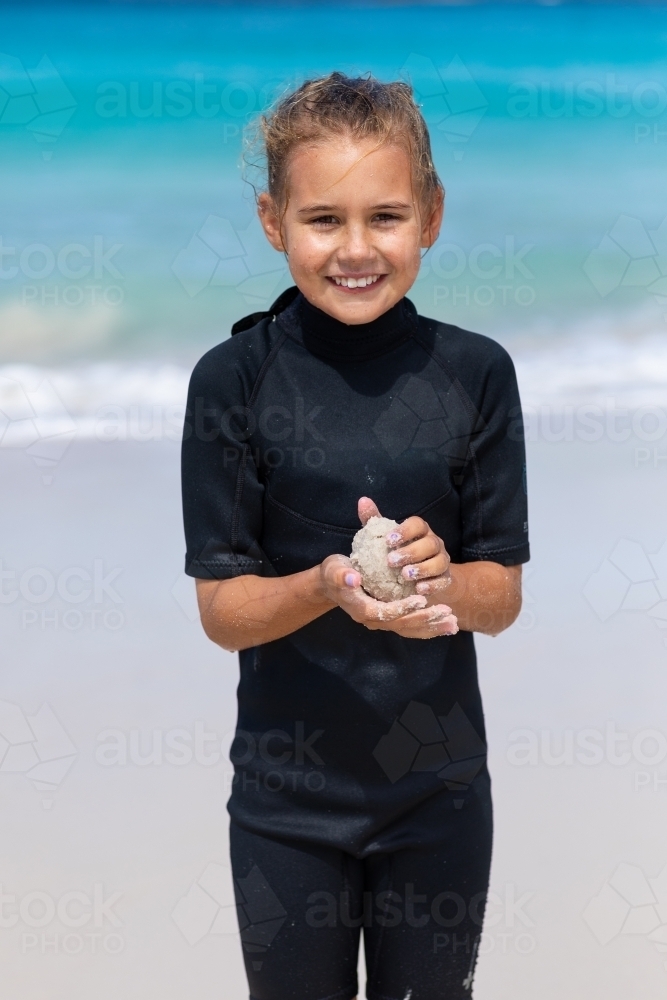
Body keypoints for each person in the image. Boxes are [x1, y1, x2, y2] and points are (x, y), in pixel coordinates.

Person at [181, 72, 529, 1000]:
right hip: (285, 806)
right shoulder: (233, 381)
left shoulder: (475, 374)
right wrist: (325, 587)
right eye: (322, 220)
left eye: (385, 216)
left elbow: (500, 597)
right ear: (272, 221)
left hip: (438, 798)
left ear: (431, 215)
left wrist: (439, 580)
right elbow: (222, 613)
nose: (356, 248)